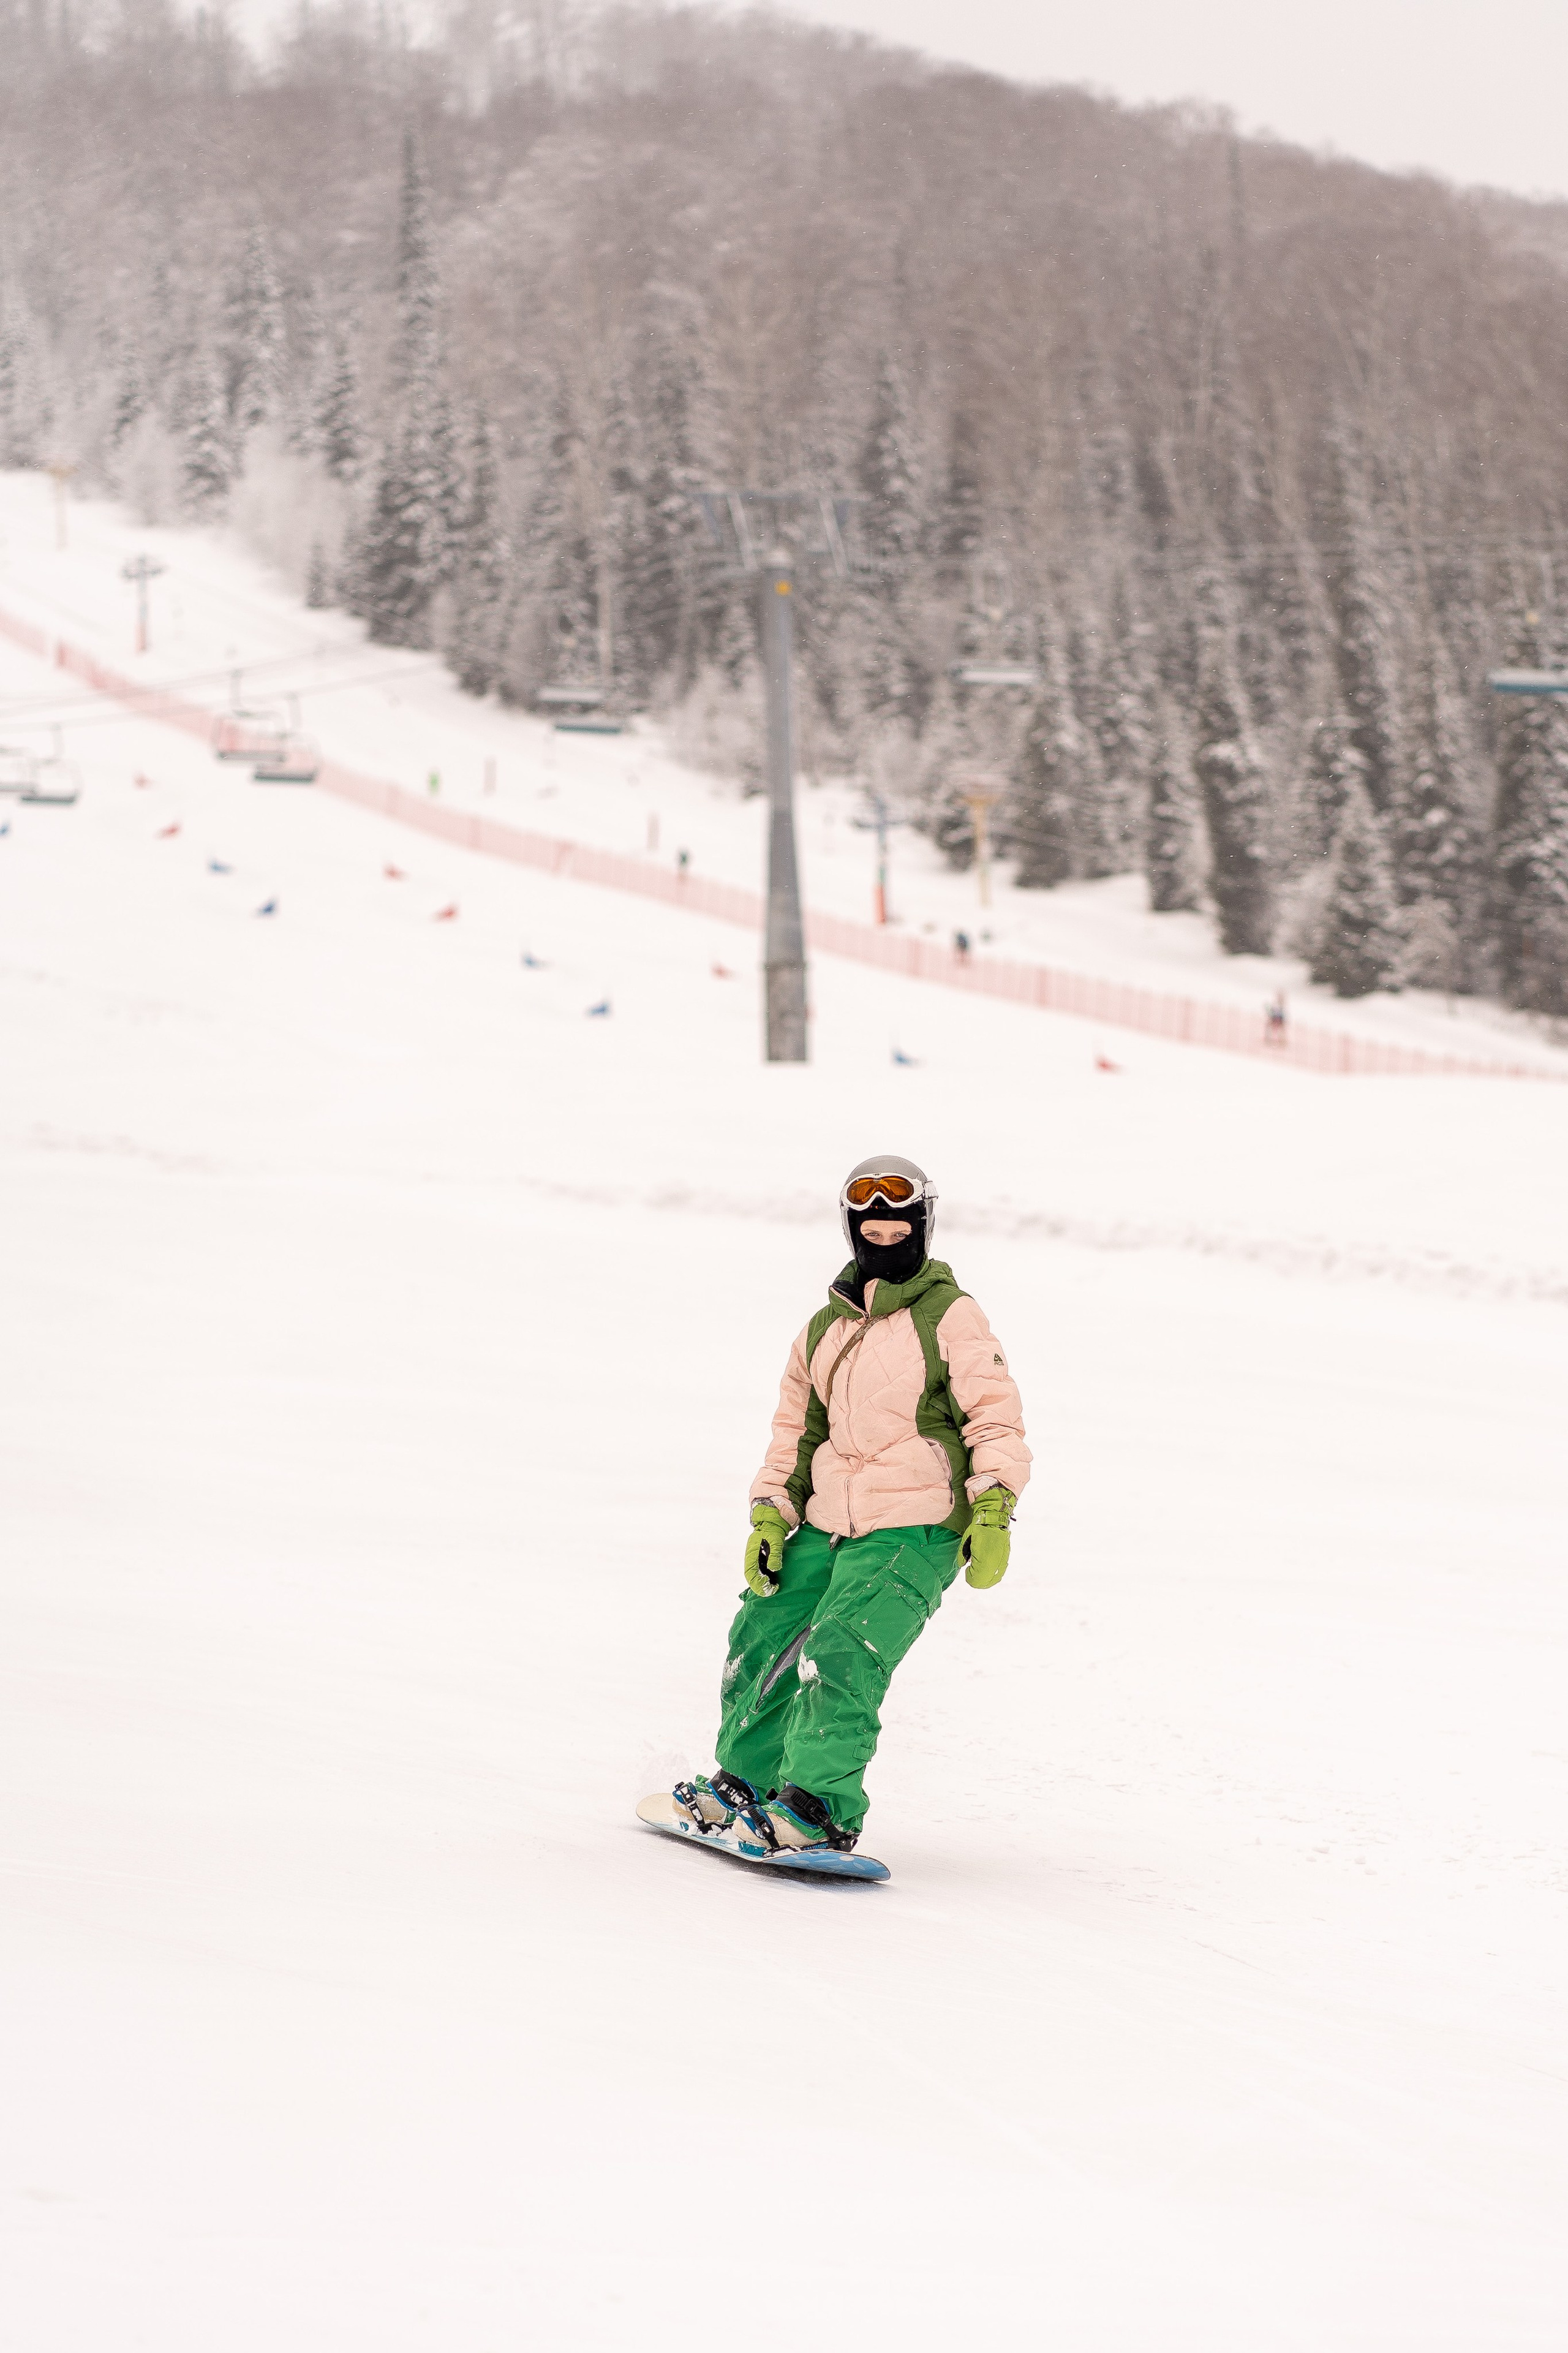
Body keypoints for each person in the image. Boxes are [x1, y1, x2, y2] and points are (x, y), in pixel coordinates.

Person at [673, 1157, 1030, 1855]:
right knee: (763, 1631)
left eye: (900, 1221)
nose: (885, 1233)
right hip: (829, 1520)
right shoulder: (822, 1329)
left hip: (917, 1522)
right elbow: (795, 1434)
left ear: (923, 1224)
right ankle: (747, 1781)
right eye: (870, 1221)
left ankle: (818, 1806)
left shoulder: (950, 1315)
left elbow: (994, 1417)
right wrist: (772, 1515)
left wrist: (992, 1509)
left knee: (844, 1648)